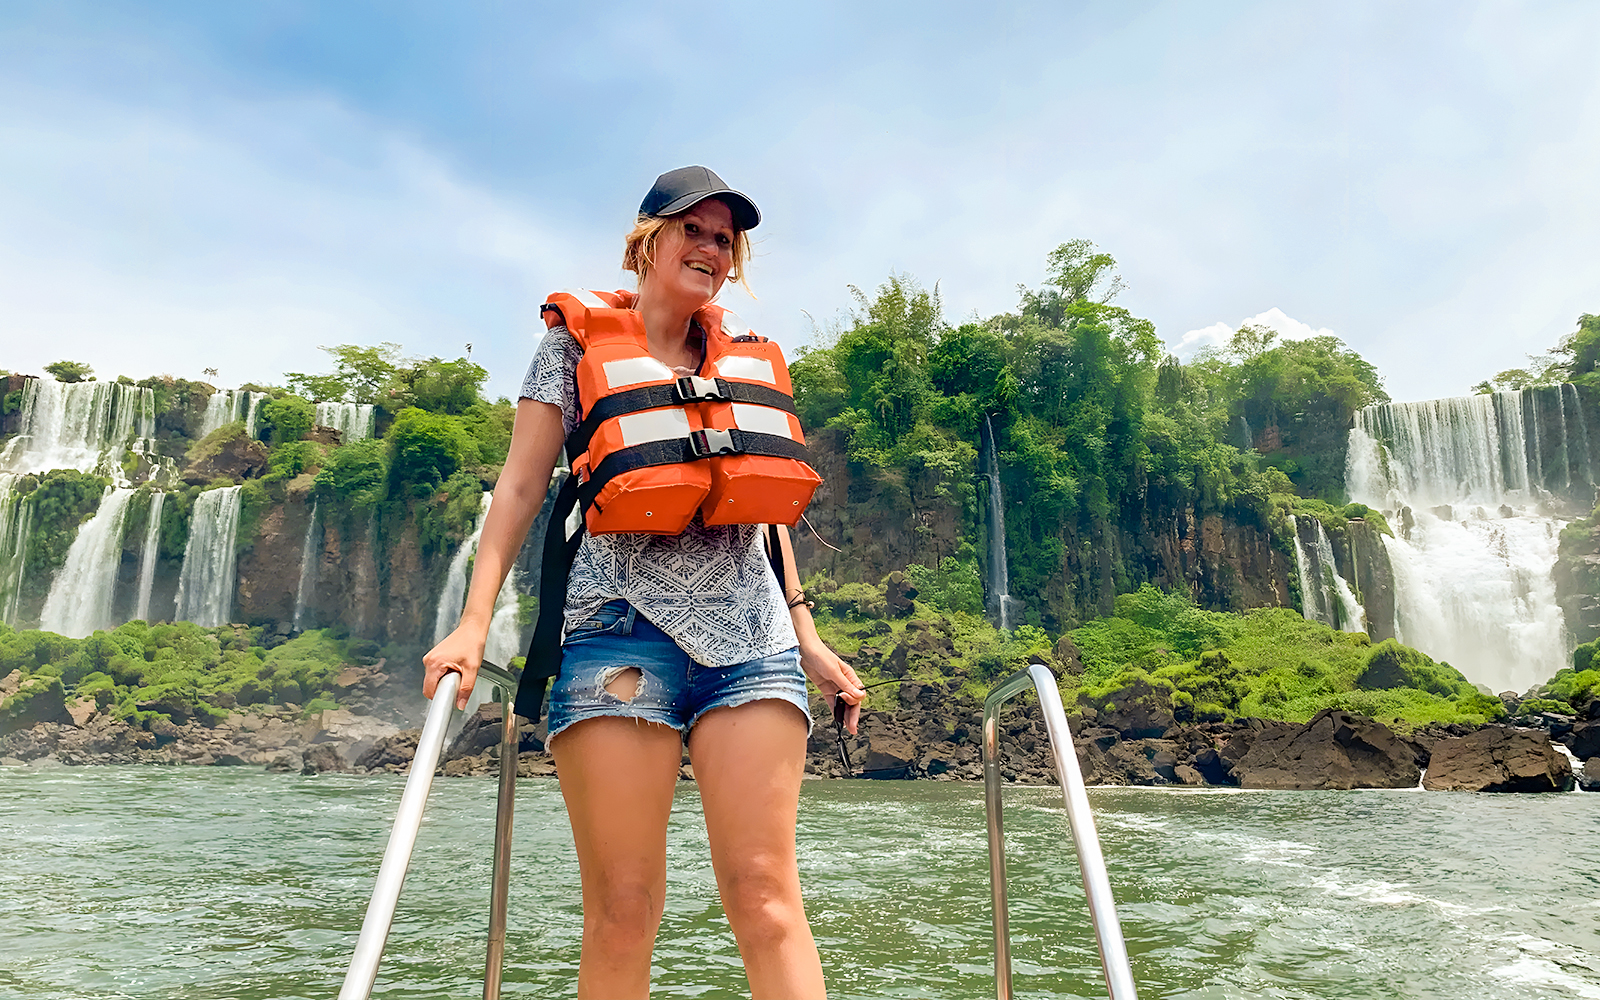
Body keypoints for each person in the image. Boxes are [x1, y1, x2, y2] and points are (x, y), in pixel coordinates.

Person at [423, 165, 866, 1000]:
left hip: (752, 641)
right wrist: (474, 622)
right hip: (615, 637)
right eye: (691, 230)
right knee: (625, 909)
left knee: (767, 900)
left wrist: (805, 635)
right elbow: (519, 488)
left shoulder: (745, 360)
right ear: (647, 239)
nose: (708, 248)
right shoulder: (571, 347)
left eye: (723, 240)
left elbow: (762, 509)